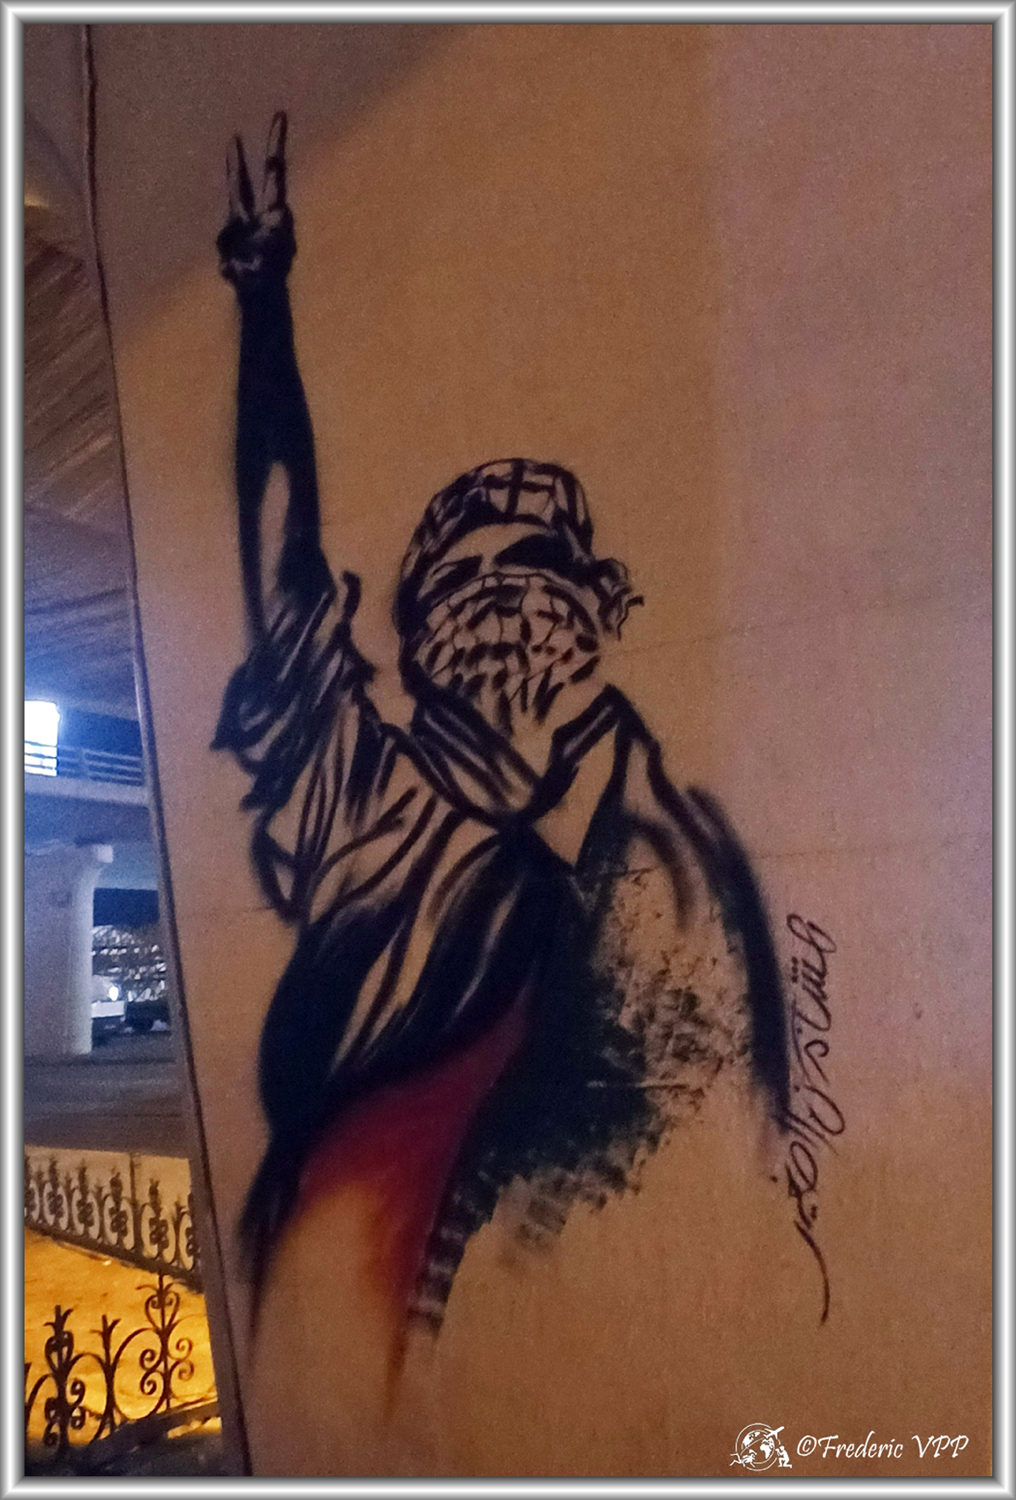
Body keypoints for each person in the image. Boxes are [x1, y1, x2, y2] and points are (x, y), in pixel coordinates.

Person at [212, 115, 790, 1356]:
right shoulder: (366, 794)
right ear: (416, 637)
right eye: (461, 576)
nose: (499, 592)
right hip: (308, 1334)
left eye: (532, 563)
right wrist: (262, 302)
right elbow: (282, 561)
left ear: (597, 610)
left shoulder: (666, 864)